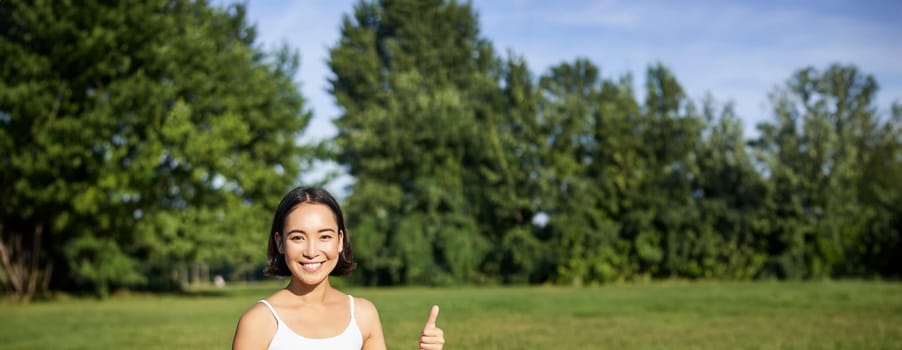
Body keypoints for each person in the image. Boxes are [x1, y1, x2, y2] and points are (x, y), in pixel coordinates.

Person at [232, 186, 445, 350]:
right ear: (280, 242)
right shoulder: (259, 322)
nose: (311, 251)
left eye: (324, 236)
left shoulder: (363, 314)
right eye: (298, 237)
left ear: (340, 240)